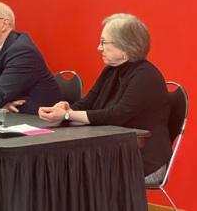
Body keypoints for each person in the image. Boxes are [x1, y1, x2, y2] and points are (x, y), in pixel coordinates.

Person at [39, 13, 172, 182]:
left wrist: (68, 115)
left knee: (74, 172)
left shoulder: (146, 76)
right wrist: (66, 109)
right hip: (113, 152)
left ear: (125, 48)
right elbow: (88, 102)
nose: (99, 48)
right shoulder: (111, 70)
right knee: (64, 166)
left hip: (142, 159)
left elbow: (116, 115)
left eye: (104, 42)